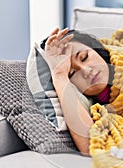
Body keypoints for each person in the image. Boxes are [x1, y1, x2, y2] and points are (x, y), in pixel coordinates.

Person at [40, 27, 113, 156]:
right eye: (73, 73)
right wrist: (60, 75)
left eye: (84, 57)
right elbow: (91, 145)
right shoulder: (100, 113)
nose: (86, 71)